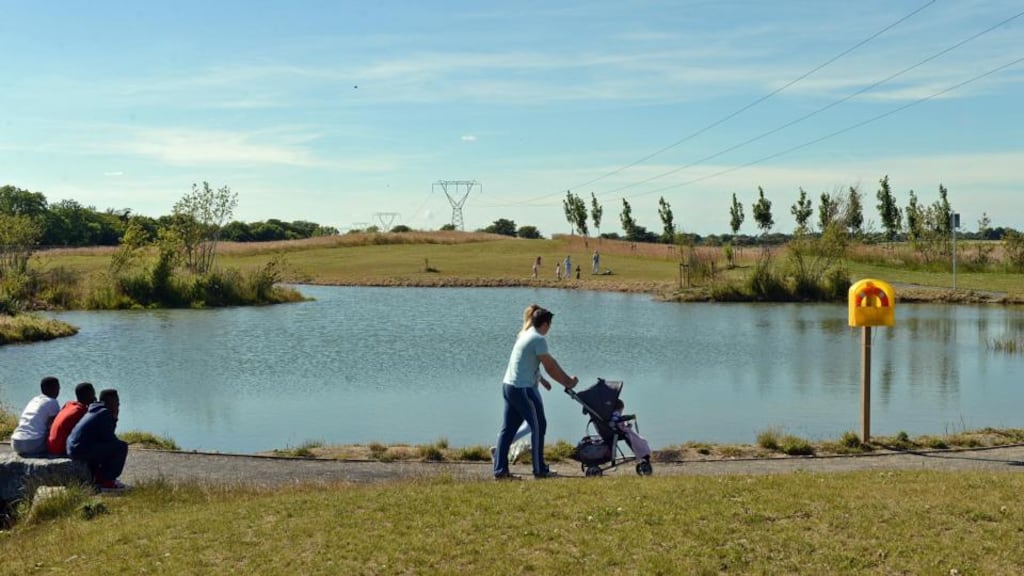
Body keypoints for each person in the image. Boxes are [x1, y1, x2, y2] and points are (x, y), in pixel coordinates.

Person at [494, 307, 577, 479]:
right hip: (523, 389)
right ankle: (539, 470)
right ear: (545, 324)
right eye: (550, 324)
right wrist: (568, 381)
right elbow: (550, 366)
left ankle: (500, 471)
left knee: (508, 430)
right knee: (538, 427)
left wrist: (542, 380)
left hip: (509, 386)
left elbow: (527, 363)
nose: (550, 328)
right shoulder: (538, 338)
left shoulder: (525, 334)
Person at [67, 388, 129, 491]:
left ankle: (99, 478)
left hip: (74, 448)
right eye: (116, 402)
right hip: (80, 450)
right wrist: (115, 418)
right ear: (109, 401)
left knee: (106, 447)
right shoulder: (104, 413)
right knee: (121, 447)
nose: (118, 405)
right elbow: (109, 438)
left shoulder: (95, 409)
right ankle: (108, 482)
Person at [10, 376, 61, 456]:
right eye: (58, 387)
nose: (59, 390)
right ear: (53, 389)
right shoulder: (52, 402)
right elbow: (53, 426)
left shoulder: (35, 400)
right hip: (32, 443)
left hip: (15, 442)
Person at [48, 382, 97, 456]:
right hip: (60, 449)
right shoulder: (81, 411)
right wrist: (94, 406)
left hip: (51, 446)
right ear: (88, 395)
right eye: (93, 394)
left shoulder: (69, 404)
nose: (94, 396)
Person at [611, 398, 651, 462]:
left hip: (620, 431)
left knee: (636, 439)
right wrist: (628, 420)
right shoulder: (616, 413)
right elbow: (617, 421)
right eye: (621, 410)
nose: (621, 412)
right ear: (619, 408)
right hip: (619, 432)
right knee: (637, 439)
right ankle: (642, 454)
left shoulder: (614, 414)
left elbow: (619, 421)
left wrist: (627, 425)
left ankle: (642, 454)